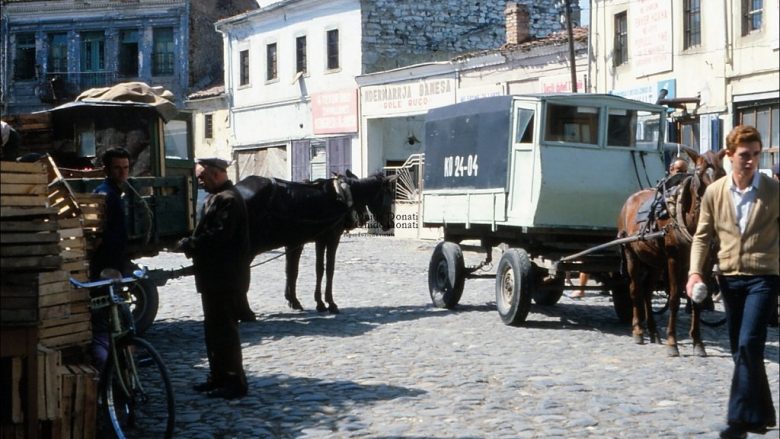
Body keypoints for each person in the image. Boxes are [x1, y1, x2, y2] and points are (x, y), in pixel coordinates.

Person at [686, 125, 779, 439]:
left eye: (756, 154)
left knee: (748, 344)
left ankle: (737, 419)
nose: (751, 160)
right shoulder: (715, 192)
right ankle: (762, 414)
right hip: (729, 278)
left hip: (764, 278)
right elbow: (702, 237)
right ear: (729, 156)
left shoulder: (773, 190)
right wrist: (695, 273)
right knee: (743, 352)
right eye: (744, 155)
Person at [176, 158, 251, 399]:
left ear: (217, 174)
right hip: (214, 278)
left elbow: (218, 237)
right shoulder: (217, 197)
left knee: (226, 331)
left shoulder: (228, 199)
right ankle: (218, 377)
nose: (199, 181)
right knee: (214, 330)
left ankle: (234, 382)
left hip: (226, 277)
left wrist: (191, 244)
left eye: (202, 176)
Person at [90, 147, 133, 370]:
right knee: (110, 322)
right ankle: (110, 372)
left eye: (125, 168)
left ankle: (121, 368)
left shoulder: (115, 193)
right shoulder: (106, 194)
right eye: (117, 168)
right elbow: (100, 236)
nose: (122, 173)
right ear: (106, 169)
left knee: (120, 321)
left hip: (114, 265)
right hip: (106, 270)